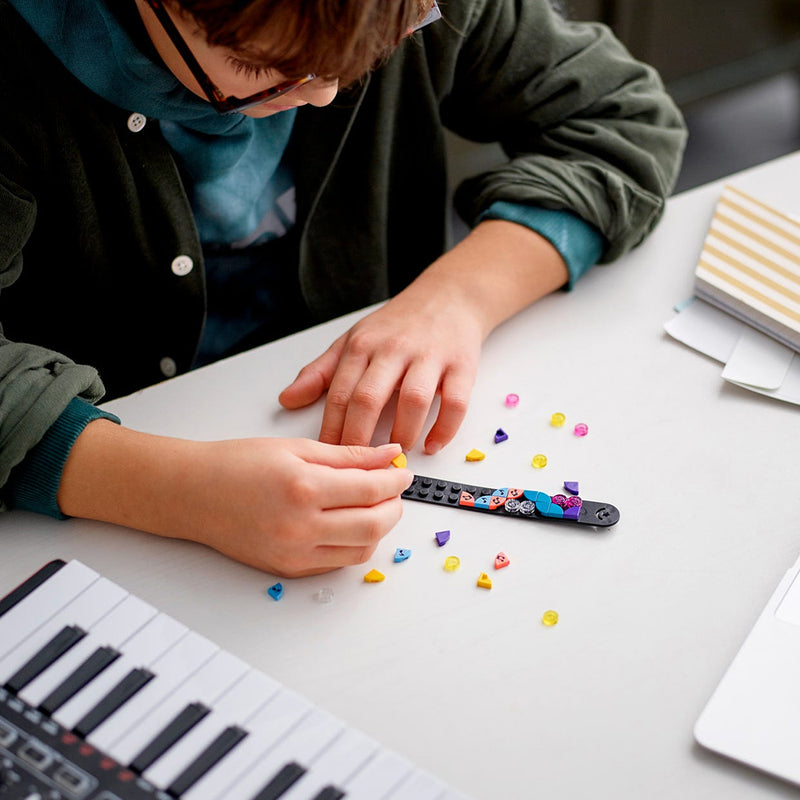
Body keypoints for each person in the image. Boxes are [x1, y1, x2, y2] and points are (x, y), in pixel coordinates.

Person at [0, 0, 686, 576]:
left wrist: (456, 298)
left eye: (376, 51)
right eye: (260, 67)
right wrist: (176, 492)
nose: (326, 94)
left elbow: (624, 121)